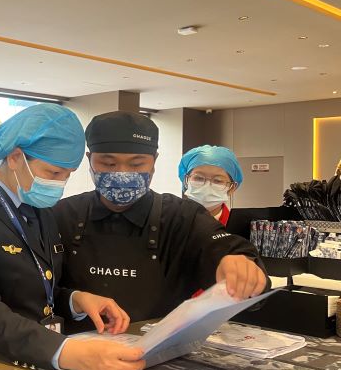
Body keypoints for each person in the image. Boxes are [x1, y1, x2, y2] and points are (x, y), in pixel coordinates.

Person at [0, 103, 144, 370]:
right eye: (54, 173)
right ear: (15, 157)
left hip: (38, 365)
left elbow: (35, 289)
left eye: (68, 174)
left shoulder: (38, 208)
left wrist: (76, 300)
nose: (60, 184)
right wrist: (69, 352)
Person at [55, 111, 267, 324]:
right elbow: (41, 294)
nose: (122, 173)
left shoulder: (183, 218)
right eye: (108, 164)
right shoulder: (63, 215)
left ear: (154, 161)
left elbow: (222, 248)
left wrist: (239, 266)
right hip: (76, 343)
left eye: (136, 165)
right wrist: (74, 300)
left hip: (162, 343)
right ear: (89, 160)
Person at [178, 145, 243, 225]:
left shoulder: (238, 228)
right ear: (186, 181)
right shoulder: (169, 223)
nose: (206, 187)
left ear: (232, 188)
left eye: (218, 181)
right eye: (198, 178)